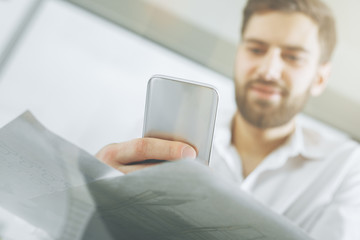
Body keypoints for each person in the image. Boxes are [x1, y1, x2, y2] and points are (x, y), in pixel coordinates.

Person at [96, 0, 360, 239]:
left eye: (293, 57)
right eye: (256, 49)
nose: (268, 70)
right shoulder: (158, 138)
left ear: (320, 78)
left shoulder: (346, 168)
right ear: (238, 54)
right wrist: (97, 194)